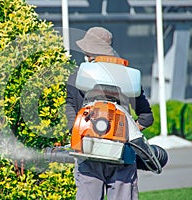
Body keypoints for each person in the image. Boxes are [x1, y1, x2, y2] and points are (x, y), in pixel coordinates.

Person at [65, 27, 154, 200]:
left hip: (87, 153)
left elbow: (70, 107)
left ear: (89, 52)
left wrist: (75, 131)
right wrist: (125, 131)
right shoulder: (128, 77)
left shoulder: (77, 75)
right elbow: (146, 117)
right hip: (123, 154)